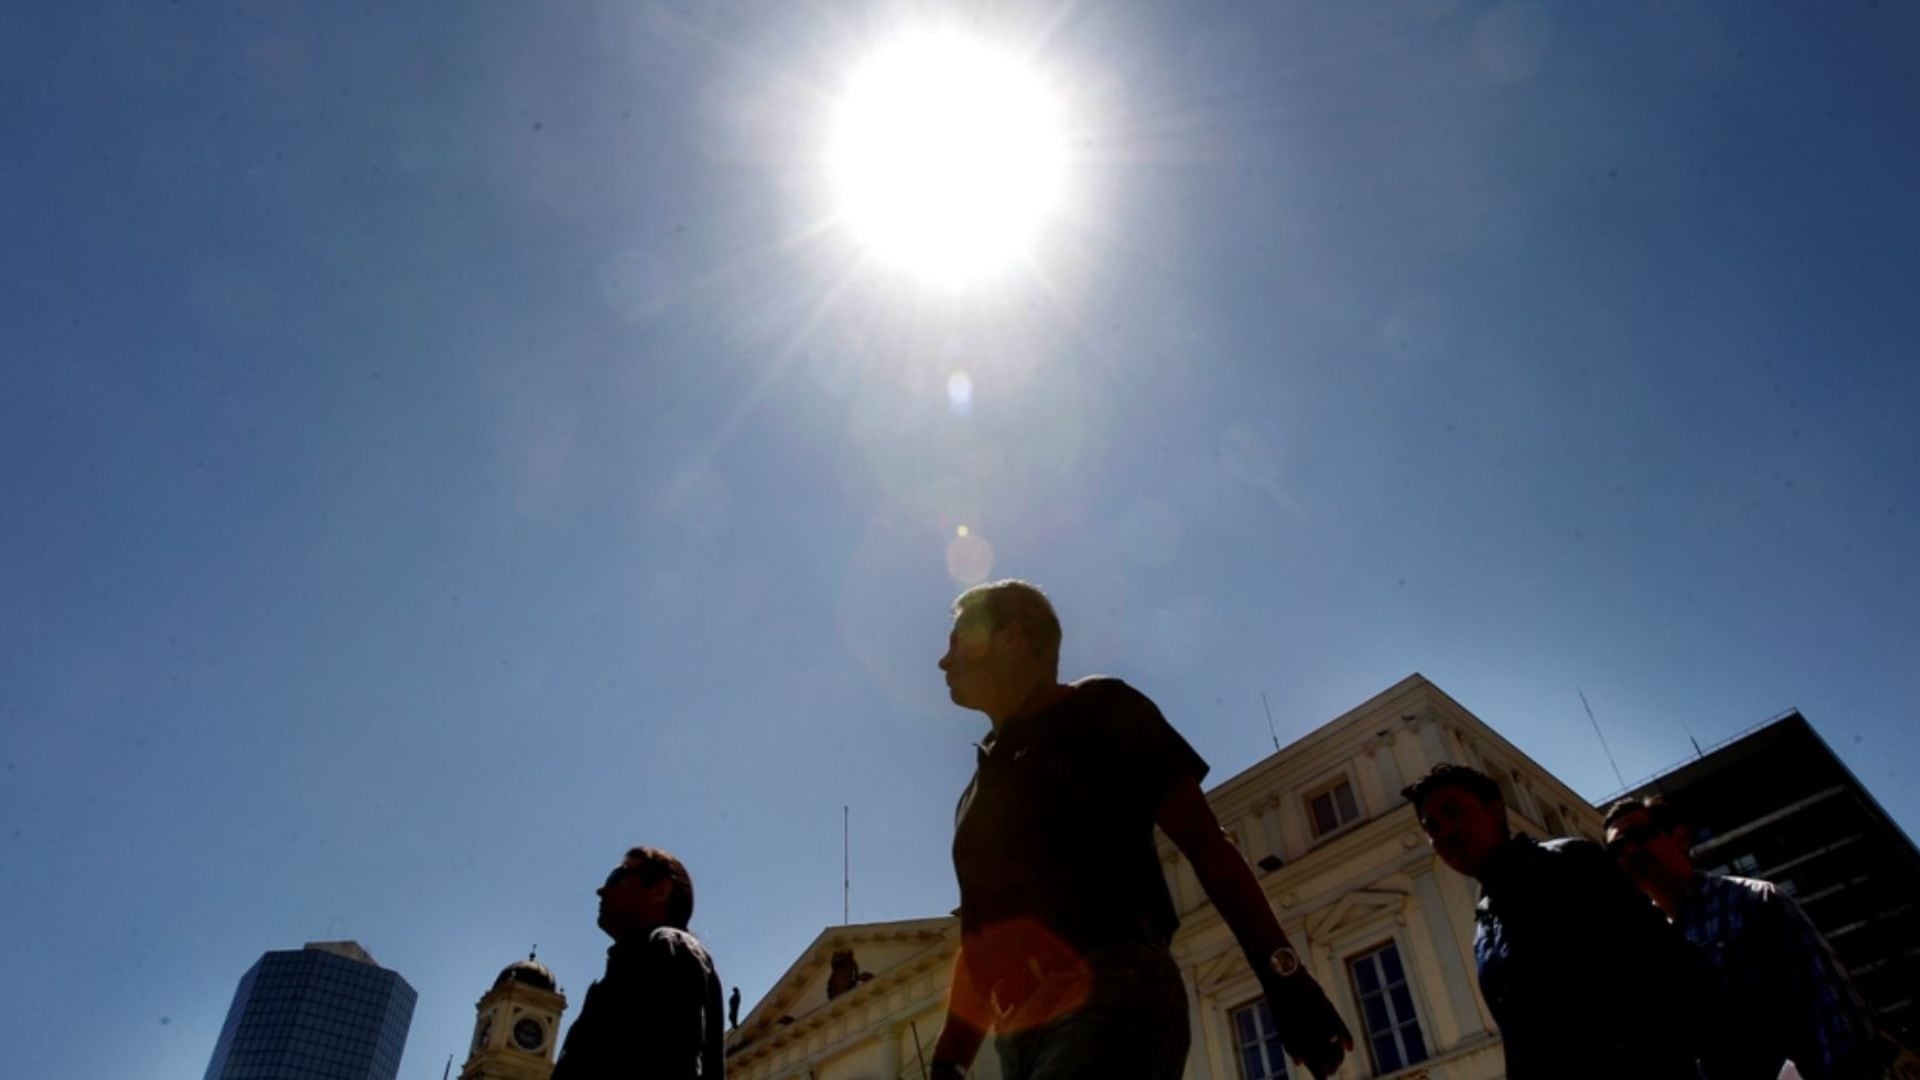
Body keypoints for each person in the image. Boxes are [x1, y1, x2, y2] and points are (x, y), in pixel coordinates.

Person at [925, 580, 1351, 1080]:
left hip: (1111, 990)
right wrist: (948, 1062)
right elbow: (980, 941)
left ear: (1011, 638)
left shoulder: (1100, 708)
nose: (943, 661)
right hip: (1018, 1034)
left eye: (957, 641)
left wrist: (1286, 978)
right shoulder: (976, 792)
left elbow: (1207, 845)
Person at [1402, 763, 1700, 1079]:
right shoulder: (1484, 926)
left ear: (1496, 810)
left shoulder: (1570, 863)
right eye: (1432, 827)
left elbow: (1670, 970)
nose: (1445, 832)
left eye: (1454, 812)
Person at [1604, 795, 1905, 1080]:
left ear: (1679, 837)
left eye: (1639, 836)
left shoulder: (1753, 900)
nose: (1630, 851)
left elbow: (1830, 1003)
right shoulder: (1644, 948)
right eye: (1617, 849)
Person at [551, 847, 726, 1080]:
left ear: (660, 889)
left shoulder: (668, 946)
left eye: (617, 877)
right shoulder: (631, 964)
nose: (601, 890)